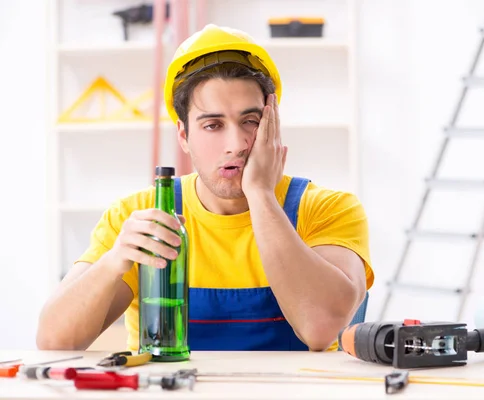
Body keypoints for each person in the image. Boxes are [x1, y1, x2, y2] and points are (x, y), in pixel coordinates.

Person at [37, 24, 374, 352]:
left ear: (273, 126)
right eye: (213, 125)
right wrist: (114, 261)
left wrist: (260, 194)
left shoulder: (327, 209)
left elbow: (320, 329)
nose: (237, 144)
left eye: (250, 122)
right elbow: (54, 342)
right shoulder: (139, 215)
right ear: (183, 136)